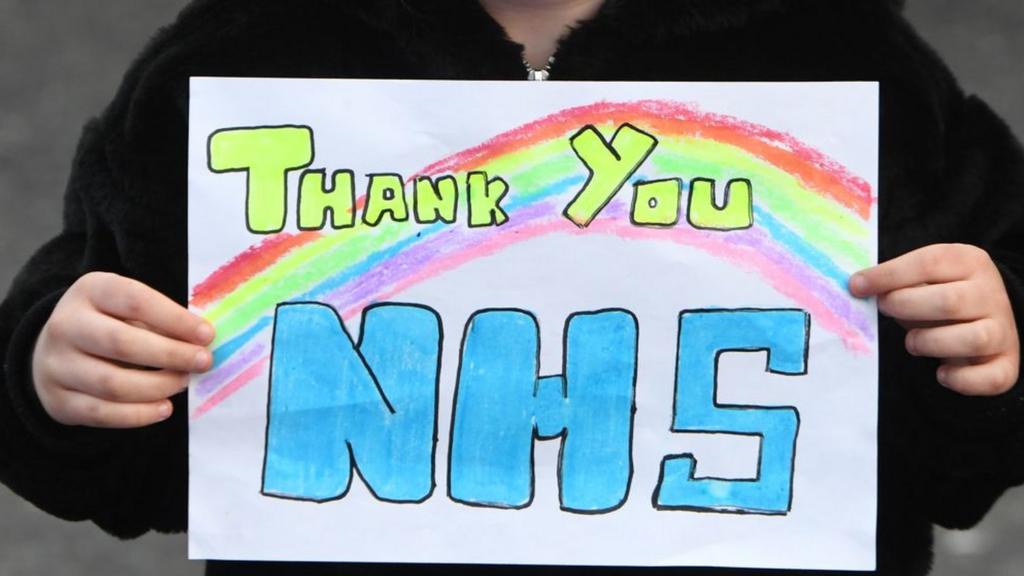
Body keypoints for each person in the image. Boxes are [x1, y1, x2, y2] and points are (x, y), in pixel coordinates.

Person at [1, 0, 1022, 575]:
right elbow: (122, 443)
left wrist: (990, 352)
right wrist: (62, 380)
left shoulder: (836, 49)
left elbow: (958, 448)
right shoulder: (242, 53)